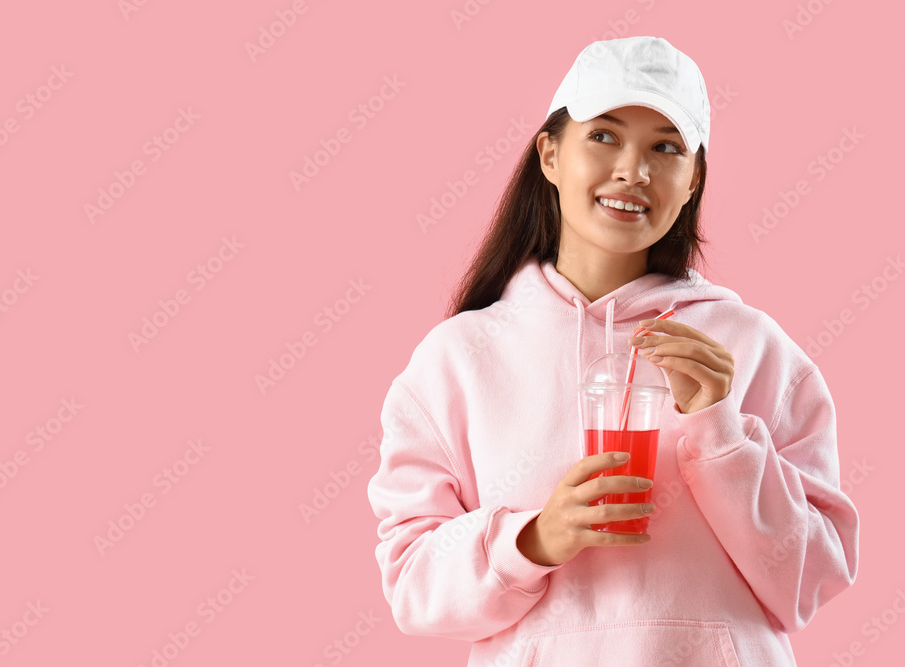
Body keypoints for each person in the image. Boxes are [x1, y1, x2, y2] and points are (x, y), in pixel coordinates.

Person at [366, 35, 859, 666]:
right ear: (549, 153)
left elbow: (813, 578)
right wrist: (534, 539)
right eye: (604, 135)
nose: (634, 169)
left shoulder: (753, 349)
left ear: (693, 180)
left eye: (666, 147)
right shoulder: (456, 361)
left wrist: (722, 432)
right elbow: (411, 583)